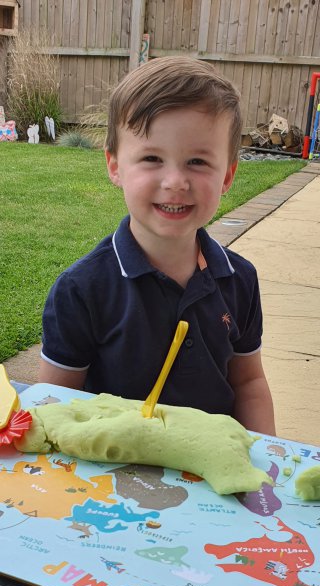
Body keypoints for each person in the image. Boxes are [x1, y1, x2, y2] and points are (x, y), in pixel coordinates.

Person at [39, 56, 275, 435]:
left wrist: (267, 461)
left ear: (228, 175)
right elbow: (54, 405)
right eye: (152, 158)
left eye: (197, 161)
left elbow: (248, 383)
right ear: (115, 166)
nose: (175, 181)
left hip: (215, 468)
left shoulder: (239, 280)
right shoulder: (82, 289)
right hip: (110, 473)